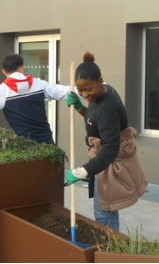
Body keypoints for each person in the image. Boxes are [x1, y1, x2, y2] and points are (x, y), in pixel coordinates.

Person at [65, 51, 147, 231]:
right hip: (103, 161)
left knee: (104, 213)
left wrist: (82, 171)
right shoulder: (104, 91)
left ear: (100, 81)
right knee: (105, 210)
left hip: (109, 163)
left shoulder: (107, 107)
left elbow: (110, 149)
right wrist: (80, 108)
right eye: (80, 90)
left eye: (88, 89)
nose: (85, 95)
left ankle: (110, 252)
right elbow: (96, 120)